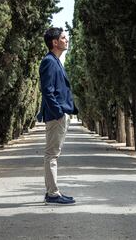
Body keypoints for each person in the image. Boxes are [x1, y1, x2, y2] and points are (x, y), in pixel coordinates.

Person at [37, 27, 78, 205]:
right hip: (56, 116)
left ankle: (52, 192)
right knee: (52, 154)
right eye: (63, 37)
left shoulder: (55, 61)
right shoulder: (49, 62)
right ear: (55, 42)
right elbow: (47, 91)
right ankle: (53, 194)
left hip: (59, 114)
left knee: (53, 154)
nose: (66, 39)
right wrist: (59, 113)